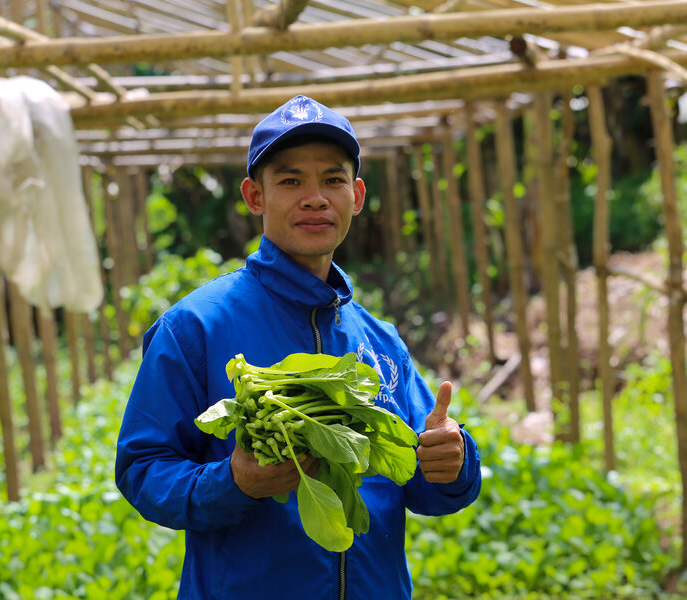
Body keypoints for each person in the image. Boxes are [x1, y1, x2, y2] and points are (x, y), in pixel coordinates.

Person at [115, 95, 481, 600]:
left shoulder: (380, 340)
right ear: (254, 196)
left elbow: (423, 481)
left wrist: (453, 464)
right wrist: (234, 481)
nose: (315, 198)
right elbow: (143, 469)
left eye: (332, 180)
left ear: (356, 194)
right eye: (290, 181)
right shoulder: (194, 327)